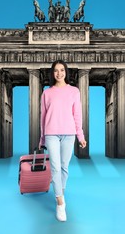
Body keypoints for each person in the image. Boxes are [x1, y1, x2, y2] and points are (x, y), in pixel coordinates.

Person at [39, 60, 87, 222]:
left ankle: (60, 192)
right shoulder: (46, 93)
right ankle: (60, 202)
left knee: (64, 167)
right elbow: (43, 117)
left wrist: (80, 136)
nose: (59, 73)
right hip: (51, 133)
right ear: (52, 74)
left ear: (66, 72)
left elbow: (77, 115)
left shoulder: (74, 91)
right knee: (55, 168)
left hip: (69, 134)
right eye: (55, 71)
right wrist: (42, 138)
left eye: (62, 70)